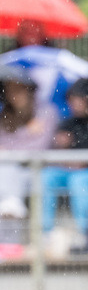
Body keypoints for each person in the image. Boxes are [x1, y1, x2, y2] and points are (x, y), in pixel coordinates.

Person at [0, 75, 57, 244]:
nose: (14, 95)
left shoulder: (47, 112)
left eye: (19, 90)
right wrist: (27, 133)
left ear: (30, 91)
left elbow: (39, 148)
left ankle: (9, 238)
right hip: (12, 170)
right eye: (10, 91)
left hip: (38, 169)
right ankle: (4, 239)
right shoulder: (4, 115)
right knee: (3, 169)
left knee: (7, 172)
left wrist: (16, 141)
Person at [41, 79, 88, 251]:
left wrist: (80, 162)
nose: (72, 104)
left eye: (76, 99)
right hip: (67, 171)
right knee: (46, 177)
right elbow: (55, 155)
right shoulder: (67, 122)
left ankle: (84, 234)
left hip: (83, 174)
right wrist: (60, 144)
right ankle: (45, 233)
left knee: (79, 183)